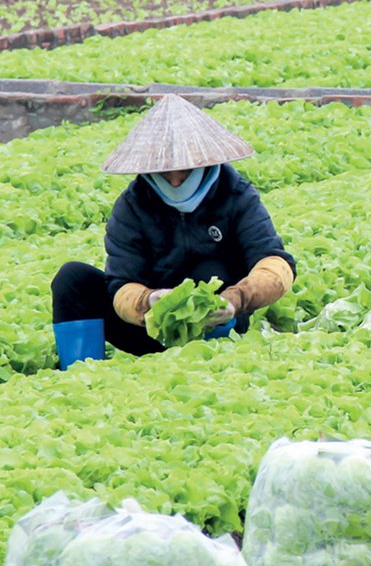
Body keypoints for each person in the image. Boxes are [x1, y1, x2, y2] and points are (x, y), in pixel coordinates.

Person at [50, 95, 296, 369]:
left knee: (207, 275)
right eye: (166, 173)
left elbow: (275, 264)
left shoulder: (235, 194)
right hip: (150, 329)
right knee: (72, 278)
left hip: (219, 326)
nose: (176, 181)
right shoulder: (132, 205)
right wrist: (147, 301)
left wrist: (234, 300)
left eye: (185, 171)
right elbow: (121, 284)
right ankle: (80, 374)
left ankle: (207, 359)